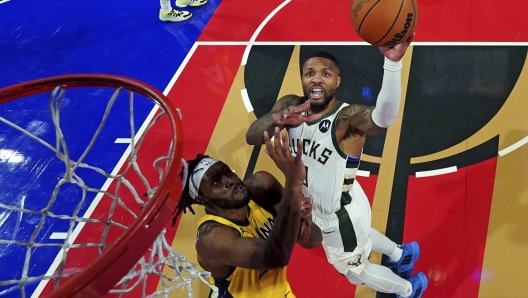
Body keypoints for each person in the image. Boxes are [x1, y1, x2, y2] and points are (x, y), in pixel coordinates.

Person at [245, 34, 428, 298]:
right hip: (344, 202)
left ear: (337, 81)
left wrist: (393, 65)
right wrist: (276, 117)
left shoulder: (345, 119)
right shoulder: (290, 105)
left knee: (354, 271)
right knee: (360, 239)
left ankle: (409, 289)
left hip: (338, 216)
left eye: (326, 73)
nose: (316, 78)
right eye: (309, 72)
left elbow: (383, 117)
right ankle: (401, 254)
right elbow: (252, 136)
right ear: (303, 79)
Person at [172, 128, 322, 298]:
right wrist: (293, 185)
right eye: (216, 182)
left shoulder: (262, 186)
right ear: (201, 200)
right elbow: (274, 257)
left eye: (227, 172)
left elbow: (314, 240)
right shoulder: (212, 238)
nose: (229, 181)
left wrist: (301, 221)